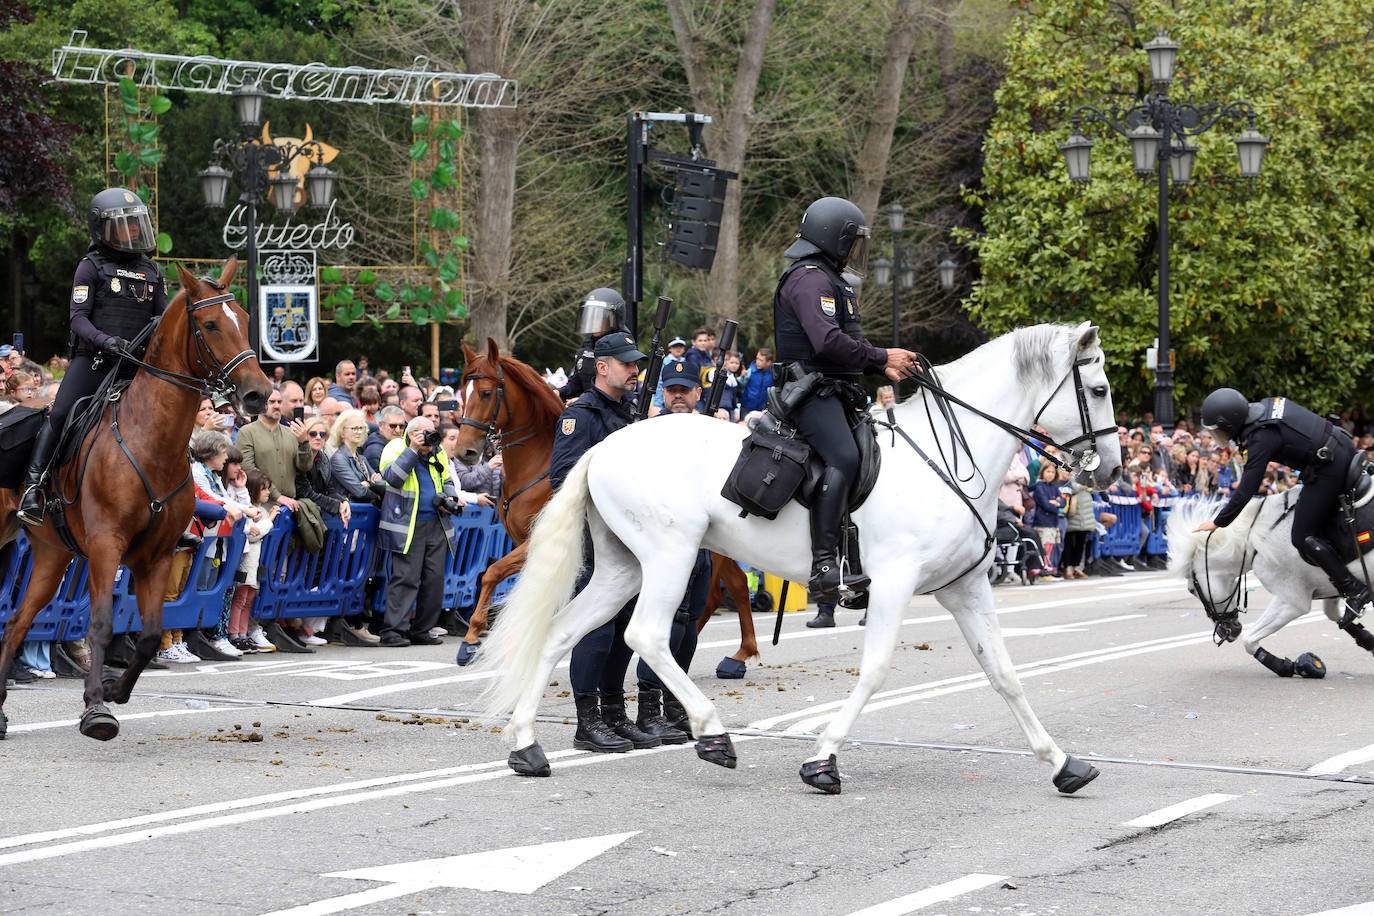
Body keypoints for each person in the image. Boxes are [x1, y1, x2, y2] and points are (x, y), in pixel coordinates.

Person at [772, 196, 918, 599]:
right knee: (845, 456)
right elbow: (826, 342)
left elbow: (850, 342)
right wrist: (881, 356)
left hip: (835, 389)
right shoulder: (809, 279)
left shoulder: (830, 279)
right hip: (809, 391)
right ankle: (823, 564)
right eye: (852, 242)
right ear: (831, 238)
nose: (856, 252)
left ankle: (856, 556)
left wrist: (880, 364)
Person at [18, 188, 168, 524]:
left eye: (136, 224)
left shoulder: (152, 272)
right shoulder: (90, 267)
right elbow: (78, 319)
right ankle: (33, 486)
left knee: (166, 425)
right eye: (124, 225)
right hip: (95, 362)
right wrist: (106, 341)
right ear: (101, 229)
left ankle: (170, 510)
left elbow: (165, 319)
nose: (132, 231)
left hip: (134, 369)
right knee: (58, 415)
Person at [550, 331, 650, 752]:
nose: (635, 371)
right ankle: (586, 720)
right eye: (627, 364)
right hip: (596, 536)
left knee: (625, 623)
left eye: (636, 364)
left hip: (628, 537)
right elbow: (562, 478)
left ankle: (613, 712)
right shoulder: (582, 416)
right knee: (598, 626)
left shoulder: (632, 413)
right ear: (602, 367)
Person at [1195, 388, 1373, 621]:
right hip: (1340, 447)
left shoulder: (1259, 437)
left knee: (1301, 535)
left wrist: (1219, 521)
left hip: (1330, 467)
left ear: (1229, 423)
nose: (1217, 435)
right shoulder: (1266, 407)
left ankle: (1353, 590)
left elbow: (1247, 489)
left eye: (1217, 430)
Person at [376, 416, 468, 647]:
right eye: (424, 433)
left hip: (437, 523)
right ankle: (393, 631)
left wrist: (451, 497)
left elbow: (446, 478)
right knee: (405, 578)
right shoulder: (395, 447)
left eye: (431, 433)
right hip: (409, 524)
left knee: (434, 580)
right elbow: (393, 478)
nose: (429, 438)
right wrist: (413, 449)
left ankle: (422, 630)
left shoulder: (436, 451)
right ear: (412, 432)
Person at [236, 385, 312, 512]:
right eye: (271, 402)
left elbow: (304, 467)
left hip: (290, 504)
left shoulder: (292, 433)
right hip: (259, 505)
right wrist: (277, 496)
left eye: (279, 402)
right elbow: (248, 469)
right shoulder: (246, 432)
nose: (276, 406)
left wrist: (303, 442)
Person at [558, 287, 628, 402]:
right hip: (588, 407)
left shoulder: (623, 347)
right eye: (590, 316)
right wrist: (557, 392)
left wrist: (583, 400)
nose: (592, 321)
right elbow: (576, 383)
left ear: (615, 318)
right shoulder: (587, 345)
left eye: (598, 317)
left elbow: (618, 389)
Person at [364, 405, 407, 472]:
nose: (398, 430)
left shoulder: (404, 444)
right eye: (393, 426)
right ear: (381, 425)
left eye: (401, 426)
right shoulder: (374, 452)